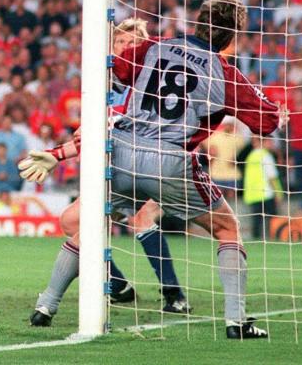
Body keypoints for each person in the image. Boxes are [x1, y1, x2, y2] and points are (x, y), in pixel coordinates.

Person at [22, 0, 286, 339]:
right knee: (227, 229)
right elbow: (266, 123)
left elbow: (115, 68)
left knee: (89, 224)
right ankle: (235, 321)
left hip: (124, 150)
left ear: (198, 22)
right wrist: (279, 113)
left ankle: (46, 305)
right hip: (171, 159)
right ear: (232, 35)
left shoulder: (154, 47)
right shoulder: (225, 72)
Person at [22, 18, 191, 326]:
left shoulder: (156, 82)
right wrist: (55, 154)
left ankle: (175, 295)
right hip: (123, 171)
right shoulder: (105, 90)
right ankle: (117, 285)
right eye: (121, 43)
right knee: (71, 220)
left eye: (133, 42)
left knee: (143, 219)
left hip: (164, 166)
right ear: (112, 49)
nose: (127, 47)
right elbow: (91, 136)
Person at [241, 136, 284, 240]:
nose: (272, 144)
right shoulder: (265, 156)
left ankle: (256, 243)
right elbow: (272, 176)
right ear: (263, 142)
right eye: (269, 141)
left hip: (253, 194)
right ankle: (274, 240)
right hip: (266, 193)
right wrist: (278, 193)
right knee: (273, 220)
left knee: (257, 221)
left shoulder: (251, 156)